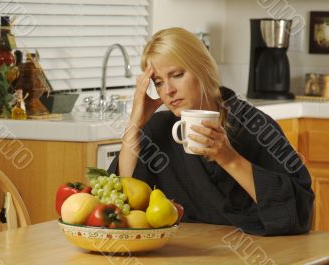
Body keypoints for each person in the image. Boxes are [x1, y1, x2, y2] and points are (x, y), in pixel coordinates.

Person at [108, 27, 314, 236]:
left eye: (177, 75)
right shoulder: (158, 129)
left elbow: (299, 212)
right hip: (186, 250)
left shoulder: (256, 126)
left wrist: (229, 159)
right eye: (159, 83)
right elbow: (125, 201)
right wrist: (134, 125)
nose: (168, 91)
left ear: (202, 68)